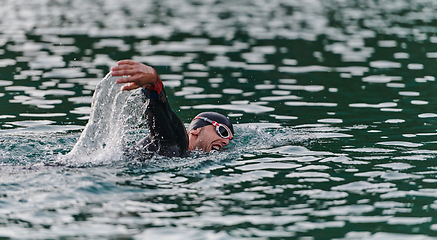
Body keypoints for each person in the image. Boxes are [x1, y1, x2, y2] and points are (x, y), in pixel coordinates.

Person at [111, 60, 234, 157]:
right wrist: (154, 83)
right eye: (222, 132)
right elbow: (163, 114)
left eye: (229, 139)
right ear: (196, 130)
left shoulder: (187, 155)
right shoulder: (179, 139)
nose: (226, 142)